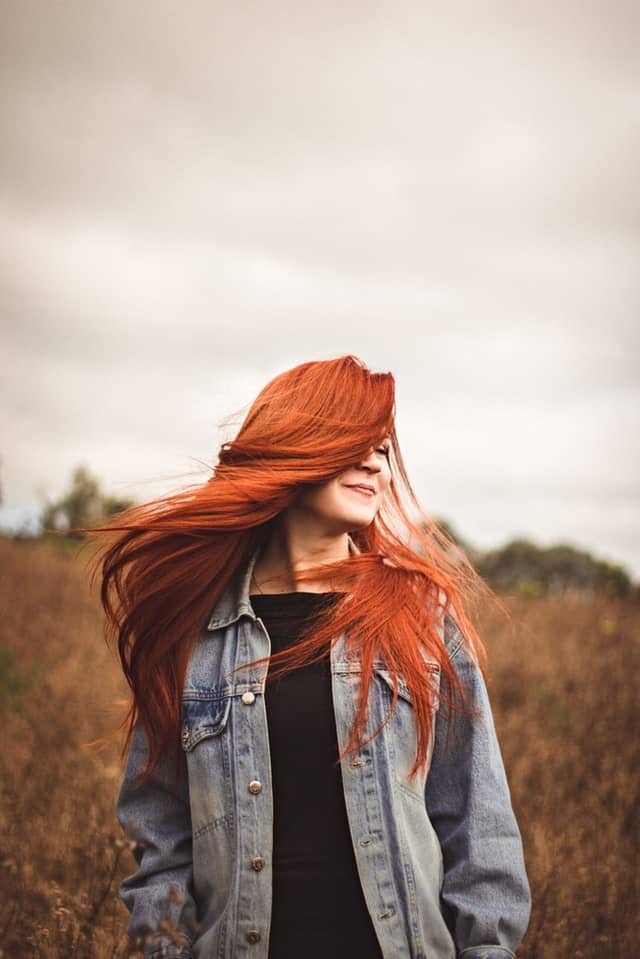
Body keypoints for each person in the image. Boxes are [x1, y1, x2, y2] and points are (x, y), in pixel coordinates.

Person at [95, 355, 531, 959]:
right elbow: (161, 836)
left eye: (382, 449)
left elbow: (477, 825)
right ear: (297, 446)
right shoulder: (193, 632)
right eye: (354, 442)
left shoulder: (420, 616)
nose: (374, 463)